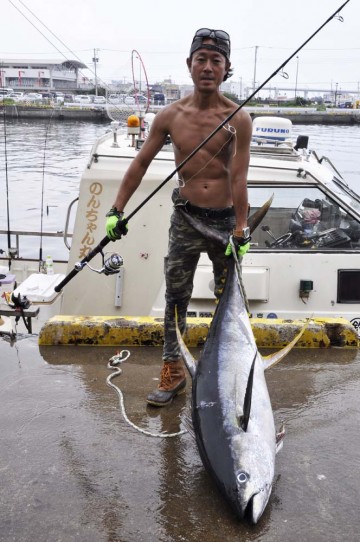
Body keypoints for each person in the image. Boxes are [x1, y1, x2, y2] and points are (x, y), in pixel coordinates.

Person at [106, 28, 253, 407]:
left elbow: (238, 178)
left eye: (215, 61)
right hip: (185, 219)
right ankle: (173, 371)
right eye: (201, 60)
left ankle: (229, 373)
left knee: (229, 303)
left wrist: (242, 227)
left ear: (226, 69)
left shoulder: (240, 119)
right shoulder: (170, 116)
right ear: (189, 65)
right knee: (176, 297)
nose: (207, 67)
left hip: (223, 224)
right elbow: (140, 163)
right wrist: (116, 210)